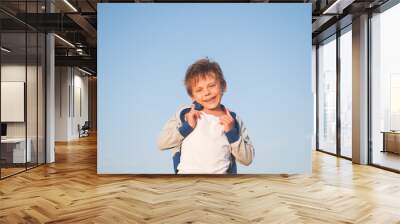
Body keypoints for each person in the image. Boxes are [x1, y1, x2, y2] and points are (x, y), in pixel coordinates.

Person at [157, 58, 254, 174]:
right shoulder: (184, 115)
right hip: (186, 184)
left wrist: (232, 133)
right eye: (199, 90)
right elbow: (162, 143)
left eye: (212, 85)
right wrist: (187, 127)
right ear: (192, 95)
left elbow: (247, 159)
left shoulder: (233, 120)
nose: (206, 92)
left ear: (223, 86)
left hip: (221, 187)